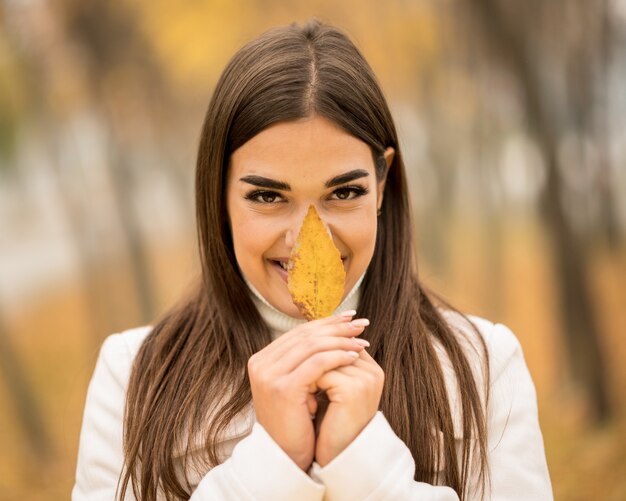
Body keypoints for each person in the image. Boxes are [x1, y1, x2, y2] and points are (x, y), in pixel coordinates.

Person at [72, 19, 553, 501]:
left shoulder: (482, 366)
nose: (308, 242)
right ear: (219, 195)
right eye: (266, 196)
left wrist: (366, 468)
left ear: (382, 187)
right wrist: (268, 468)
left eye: (344, 192)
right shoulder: (136, 377)